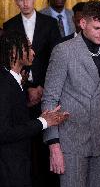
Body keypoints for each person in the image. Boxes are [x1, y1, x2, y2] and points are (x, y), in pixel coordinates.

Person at [42, 0, 100, 187]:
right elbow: (50, 99)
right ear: (82, 23)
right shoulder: (63, 51)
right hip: (70, 142)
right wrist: (54, 146)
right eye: (97, 28)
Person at [0, 31, 69, 187]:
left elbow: (14, 116)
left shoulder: (14, 79)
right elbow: (4, 132)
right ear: (13, 51)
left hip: (18, 164)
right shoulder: (4, 83)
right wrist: (43, 122)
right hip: (8, 170)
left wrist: (40, 115)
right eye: (28, 47)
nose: (33, 52)